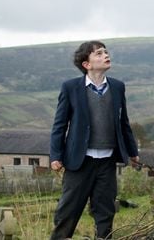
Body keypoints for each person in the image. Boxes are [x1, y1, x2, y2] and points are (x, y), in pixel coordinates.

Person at [49, 41, 139, 239]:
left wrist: (133, 152)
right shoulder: (71, 87)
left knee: (105, 213)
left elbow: (124, 122)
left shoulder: (117, 87)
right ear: (86, 64)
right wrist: (55, 155)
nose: (105, 55)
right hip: (79, 163)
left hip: (107, 162)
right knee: (67, 213)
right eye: (98, 53)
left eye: (106, 52)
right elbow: (59, 125)